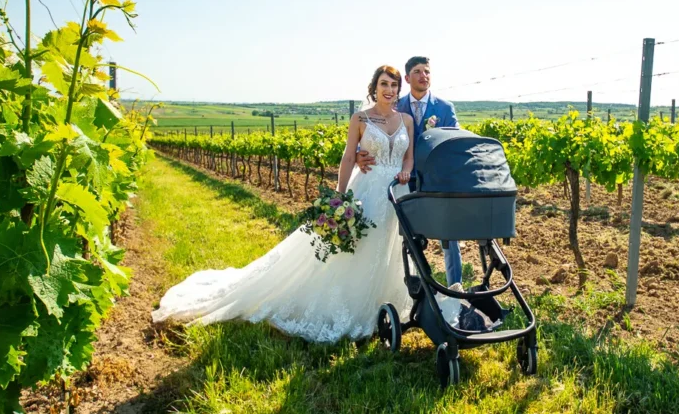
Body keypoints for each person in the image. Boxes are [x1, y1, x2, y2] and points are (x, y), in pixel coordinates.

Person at [152, 65, 415, 343]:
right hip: (366, 190)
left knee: (391, 247)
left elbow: (408, 155)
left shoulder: (406, 120)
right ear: (374, 87)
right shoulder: (360, 118)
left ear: (399, 90)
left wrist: (406, 170)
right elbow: (348, 157)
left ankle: (384, 304)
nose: (389, 90)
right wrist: (340, 197)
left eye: (394, 85)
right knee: (361, 247)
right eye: (384, 84)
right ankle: (356, 307)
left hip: (397, 191)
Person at [356, 56, 464, 286]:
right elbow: (371, 132)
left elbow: (455, 142)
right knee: (405, 237)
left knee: (450, 234)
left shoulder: (445, 108)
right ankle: (414, 285)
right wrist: (358, 153)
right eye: (417, 71)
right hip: (401, 181)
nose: (423, 75)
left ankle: (456, 286)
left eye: (427, 71)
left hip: (436, 182)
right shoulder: (395, 105)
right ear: (407, 78)